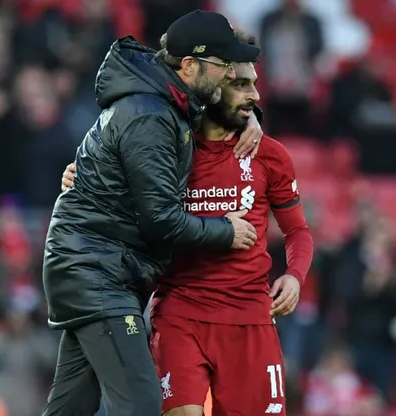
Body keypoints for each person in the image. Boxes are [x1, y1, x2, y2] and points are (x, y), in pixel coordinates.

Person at [61, 32, 314, 416]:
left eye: (254, 84)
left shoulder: (269, 155)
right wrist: (81, 177)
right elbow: (112, 182)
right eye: (240, 84)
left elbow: (297, 231)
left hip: (249, 318)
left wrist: (294, 276)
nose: (255, 95)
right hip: (179, 312)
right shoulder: (168, 145)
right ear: (210, 84)